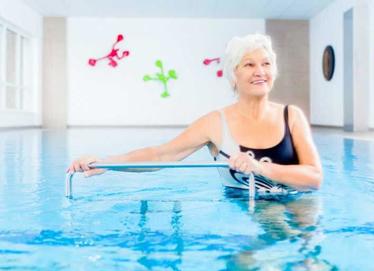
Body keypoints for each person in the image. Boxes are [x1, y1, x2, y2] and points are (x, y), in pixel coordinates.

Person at [67, 34, 322, 192]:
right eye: (249, 64)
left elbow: (314, 178)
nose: (260, 71)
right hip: (247, 211)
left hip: (298, 203)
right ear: (234, 75)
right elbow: (161, 155)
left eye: (266, 64)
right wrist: (107, 163)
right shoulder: (215, 123)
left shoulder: (292, 116)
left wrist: (260, 168)